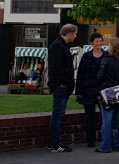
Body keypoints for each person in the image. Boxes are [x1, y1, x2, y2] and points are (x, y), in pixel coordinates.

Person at [46, 23, 78, 153]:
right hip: (61, 86)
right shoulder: (58, 46)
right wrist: (64, 82)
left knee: (58, 114)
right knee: (58, 114)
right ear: (69, 34)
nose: (76, 36)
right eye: (75, 34)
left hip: (62, 85)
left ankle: (53, 142)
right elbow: (56, 67)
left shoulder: (60, 45)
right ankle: (54, 143)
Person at [95, 37, 119, 153]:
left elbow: (100, 76)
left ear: (112, 47)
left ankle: (106, 146)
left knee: (107, 120)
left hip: (108, 93)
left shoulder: (106, 60)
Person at [76, 32, 108, 148]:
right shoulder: (86, 56)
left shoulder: (107, 55)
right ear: (91, 43)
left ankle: (105, 138)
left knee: (105, 115)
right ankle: (91, 140)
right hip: (88, 89)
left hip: (102, 88)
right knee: (89, 116)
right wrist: (78, 91)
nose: (99, 43)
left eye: (100, 41)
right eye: (96, 41)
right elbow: (80, 73)